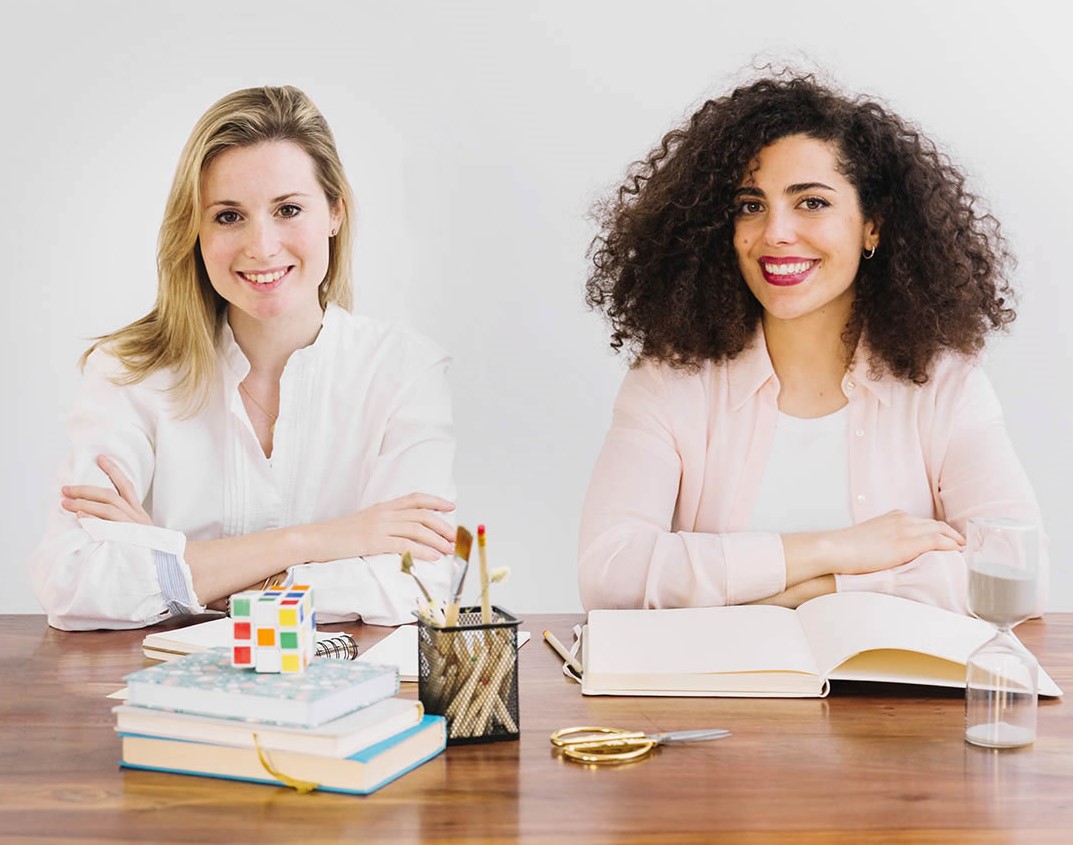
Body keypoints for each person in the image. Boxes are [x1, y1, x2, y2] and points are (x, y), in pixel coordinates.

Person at [579, 71, 1046, 615]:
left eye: (812, 203)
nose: (775, 231)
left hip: (891, 698)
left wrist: (817, 591)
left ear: (872, 225)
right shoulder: (667, 381)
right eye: (751, 205)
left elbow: (1021, 572)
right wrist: (838, 549)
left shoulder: (945, 383)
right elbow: (609, 573)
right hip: (718, 698)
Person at [31, 85, 457, 630]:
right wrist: (329, 540)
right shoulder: (127, 372)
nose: (261, 245)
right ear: (196, 230)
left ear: (334, 212)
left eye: (288, 209)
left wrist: (173, 562)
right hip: (167, 701)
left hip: (346, 700)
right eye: (229, 216)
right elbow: (72, 583)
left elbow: (419, 584)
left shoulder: (405, 371)